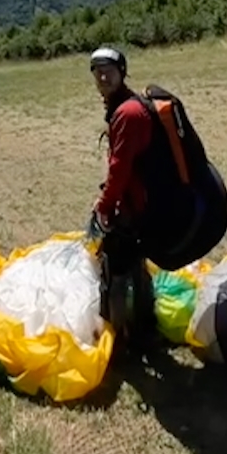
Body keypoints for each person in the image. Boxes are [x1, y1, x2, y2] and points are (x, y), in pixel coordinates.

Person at [88, 47, 157, 353]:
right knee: (137, 267)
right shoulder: (126, 105)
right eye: (97, 71)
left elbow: (120, 169)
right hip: (142, 203)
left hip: (133, 206)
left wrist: (104, 205)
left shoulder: (127, 113)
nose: (103, 77)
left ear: (122, 72)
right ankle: (145, 329)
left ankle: (118, 343)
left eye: (109, 71)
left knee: (115, 272)